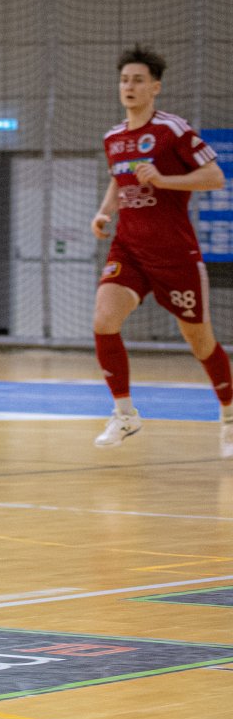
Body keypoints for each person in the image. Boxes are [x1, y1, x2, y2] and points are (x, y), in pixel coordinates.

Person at [91, 47, 232, 453]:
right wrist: (104, 212)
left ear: (155, 87)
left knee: (200, 342)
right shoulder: (114, 137)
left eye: (138, 80)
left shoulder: (174, 130)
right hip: (129, 249)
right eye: (124, 80)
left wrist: (164, 180)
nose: (129, 87)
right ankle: (125, 414)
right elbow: (119, 179)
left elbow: (215, 177)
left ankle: (229, 417)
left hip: (174, 253)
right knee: (104, 320)